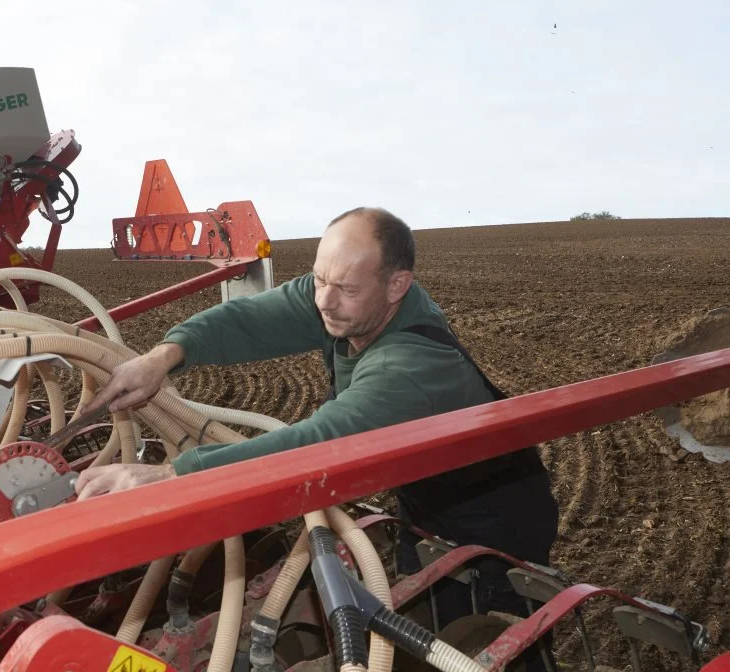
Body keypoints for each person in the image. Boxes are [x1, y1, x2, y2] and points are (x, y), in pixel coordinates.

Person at [74, 207, 560, 666]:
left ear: (397, 285)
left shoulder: (411, 367)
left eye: (343, 288)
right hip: (425, 496)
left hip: (492, 518)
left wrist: (172, 475)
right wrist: (163, 357)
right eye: (320, 279)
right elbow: (251, 319)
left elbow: (319, 442)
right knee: (425, 624)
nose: (324, 300)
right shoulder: (351, 300)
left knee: (479, 642)